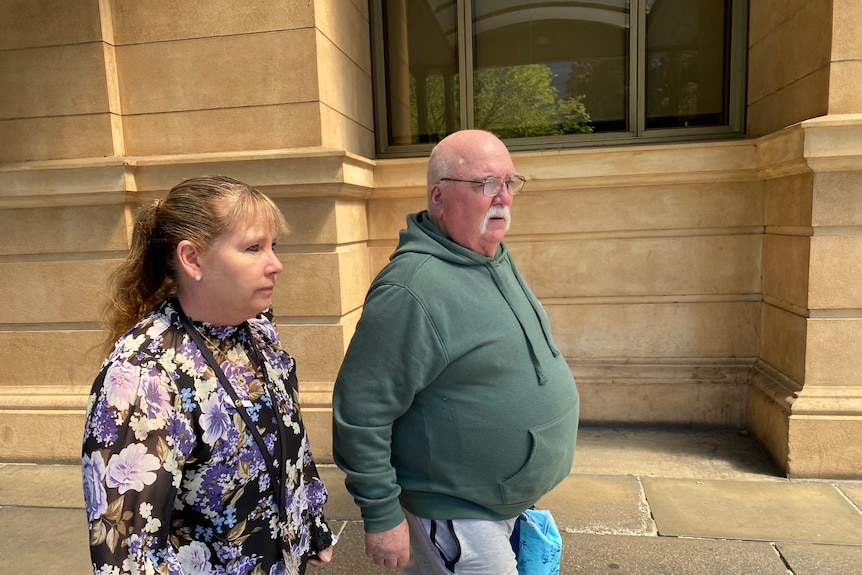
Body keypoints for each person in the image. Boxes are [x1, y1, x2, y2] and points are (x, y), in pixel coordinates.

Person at [331, 130, 579, 574]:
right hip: (457, 513)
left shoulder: (491, 254)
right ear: (439, 197)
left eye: (509, 182)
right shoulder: (411, 289)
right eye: (485, 184)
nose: (502, 197)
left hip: (502, 501)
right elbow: (361, 412)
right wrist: (382, 515)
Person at [82, 175, 336, 575]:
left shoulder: (255, 329)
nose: (276, 264)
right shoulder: (143, 375)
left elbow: (286, 429)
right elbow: (127, 554)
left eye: (273, 246)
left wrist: (311, 522)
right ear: (193, 258)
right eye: (253, 248)